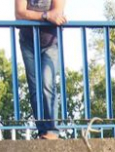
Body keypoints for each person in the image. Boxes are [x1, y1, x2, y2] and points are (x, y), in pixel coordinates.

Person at [15, 0, 66, 140]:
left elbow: (57, 12)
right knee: (34, 88)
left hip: (50, 43)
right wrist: (45, 16)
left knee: (47, 83)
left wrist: (32, 14)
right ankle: (42, 131)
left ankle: (52, 130)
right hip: (27, 42)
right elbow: (19, 13)